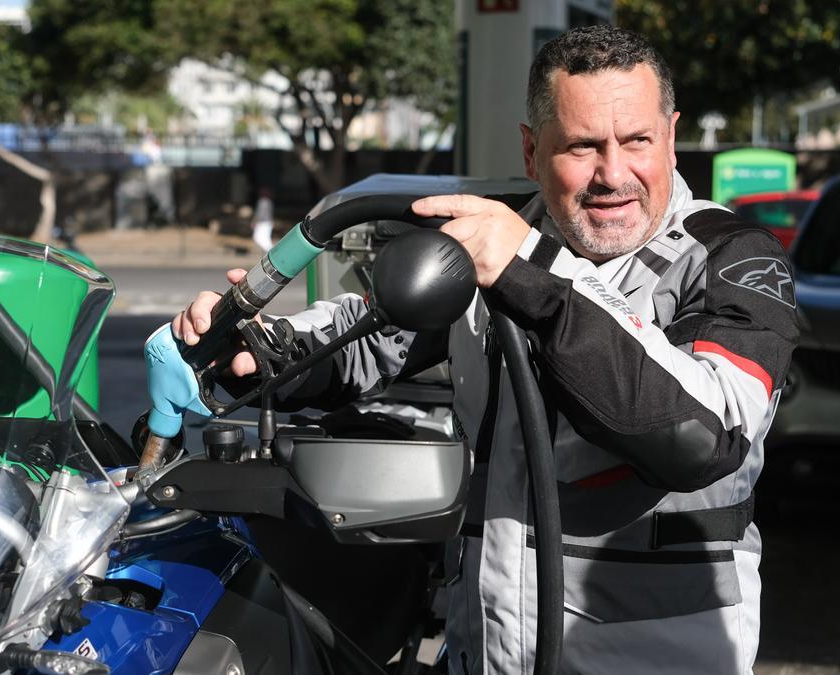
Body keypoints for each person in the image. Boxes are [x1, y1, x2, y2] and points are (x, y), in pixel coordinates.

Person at [172, 25, 798, 674]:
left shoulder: (731, 258)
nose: (613, 174)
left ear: (670, 136)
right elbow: (369, 340)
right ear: (531, 151)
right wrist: (257, 348)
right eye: (582, 146)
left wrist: (535, 274)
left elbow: (701, 439)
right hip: (485, 654)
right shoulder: (493, 244)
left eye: (636, 140)